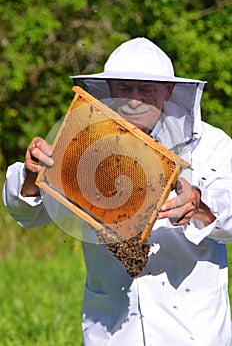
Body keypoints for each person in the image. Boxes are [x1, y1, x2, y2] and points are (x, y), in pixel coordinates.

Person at [2, 37, 232, 345]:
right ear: (109, 90)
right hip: (113, 328)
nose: (134, 100)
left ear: (169, 91)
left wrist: (199, 209)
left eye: (146, 89)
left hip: (192, 330)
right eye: (124, 88)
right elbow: (28, 212)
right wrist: (32, 174)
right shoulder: (85, 144)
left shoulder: (211, 146)